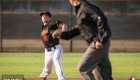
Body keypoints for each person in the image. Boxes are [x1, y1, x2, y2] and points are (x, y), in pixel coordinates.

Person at [52, 0, 113, 80]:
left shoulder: (86, 8)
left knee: (83, 68)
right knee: (102, 71)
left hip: (98, 43)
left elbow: (102, 19)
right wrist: (62, 34)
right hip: (100, 42)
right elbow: (79, 28)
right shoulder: (81, 9)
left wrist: (100, 40)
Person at [39, 10, 67, 80]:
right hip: (47, 51)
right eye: (43, 16)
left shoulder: (52, 23)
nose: (44, 17)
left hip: (56, 48)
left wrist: (62, 33)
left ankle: (61, 78)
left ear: (50, 18)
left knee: (56, 60)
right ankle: (43, 75)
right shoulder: (43, 28)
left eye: (46, 16)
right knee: (48, 69)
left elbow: (64, 25)